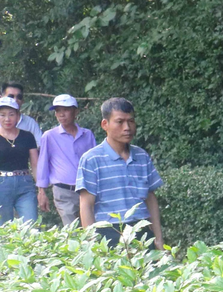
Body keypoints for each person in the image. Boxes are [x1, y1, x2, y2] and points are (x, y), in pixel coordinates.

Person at [76, 98, 164, 248]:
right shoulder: (91, 159)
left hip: (142, 233)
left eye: (131, 121)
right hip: (109, 234)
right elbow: (86, 206)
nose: (127, 127)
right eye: (120, 122)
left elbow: (151, 199)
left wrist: (159, 240)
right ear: (105, 124)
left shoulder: (141, 156)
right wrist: (92, 247)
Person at [35, 94, 96, 226]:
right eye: (58, 111)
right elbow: (43, 163)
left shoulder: (87, 134)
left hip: (87, 189)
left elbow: (95, 162)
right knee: (72, 229)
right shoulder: (49, 136)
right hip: (63, 191)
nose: (61, 114)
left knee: (92, 228)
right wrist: (42, 191)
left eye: (66, 110)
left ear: (76, 111)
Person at [0, 96, 39, 223]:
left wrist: (41, 188)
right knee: (4, 228)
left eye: (11, 114)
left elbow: (35, 164)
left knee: (31, 225)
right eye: (2, 115)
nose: (7, 119)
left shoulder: (27, 136)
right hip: (2, 183)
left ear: (18, 116)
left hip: (25, 183)